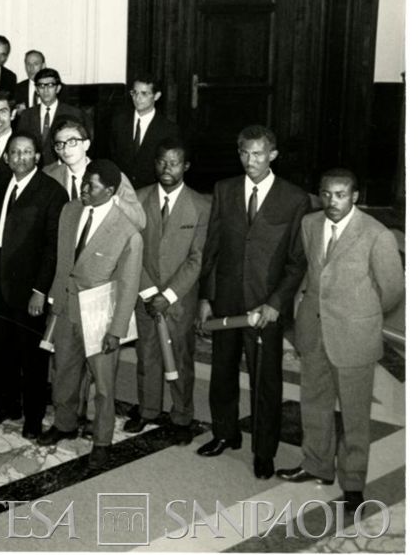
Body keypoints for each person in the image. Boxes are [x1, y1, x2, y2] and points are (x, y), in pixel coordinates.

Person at [277, 169, 404, 510]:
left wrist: (361, 314)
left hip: (354, 336)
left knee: (354, 414)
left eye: (341, 194)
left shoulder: (377, 235)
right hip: (314, 331)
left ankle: (352, 483)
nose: (333, 201)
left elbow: (392, 290)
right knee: (314, 402)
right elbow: (313, 273)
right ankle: (316, 464)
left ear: (355, 196)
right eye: (327, 194)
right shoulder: (310, 224)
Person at [196, 125, 308, 480]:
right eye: (245, 153)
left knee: (266, 381)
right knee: (222, 373)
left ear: (273, 155)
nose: (251, 161)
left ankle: (264, 451)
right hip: (226, 301)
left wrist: (275, 302)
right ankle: (225, 433)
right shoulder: (225, 190)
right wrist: (205, 297)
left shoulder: (293, 198)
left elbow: (297, 260)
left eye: (258, 154)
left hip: (265, 307)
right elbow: (212, 249)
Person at [38, 160, 142, 471]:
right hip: (68, 308)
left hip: (100, 314)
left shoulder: (127, 231)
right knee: (64, 371)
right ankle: (64, 423)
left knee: (104, 384)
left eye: (91, 186)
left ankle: (101, 441)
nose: (83, 188)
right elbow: (62, 262)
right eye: (84, 182)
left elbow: (128, 284)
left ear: (110, 191)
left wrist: (116, 329)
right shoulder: (70, 212)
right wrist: (55, 305)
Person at [0, 132, 68, 437]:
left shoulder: (52, 192)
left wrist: (40, 290)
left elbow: (53, 248)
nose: (20, 158)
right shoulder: (1, 185)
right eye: (14, 153)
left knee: (32, 357)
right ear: (6, 157)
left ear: (38, 157)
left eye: (27, 152)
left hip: (29, 287)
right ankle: (5, 406)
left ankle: (32, 417)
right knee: (0, 350)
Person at [125, 139, 209, 445]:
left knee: (181, 357)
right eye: (162, 162)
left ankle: (182, 416)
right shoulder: (137, 199)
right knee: (147, 353)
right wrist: (149, 291)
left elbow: (198, 258)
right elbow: (130, 248)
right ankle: (147, 410)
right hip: (145, 294)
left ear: (185, 166)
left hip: (179, 299)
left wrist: (169, 295)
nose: (167, 168)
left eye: (174, 163)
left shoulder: (201, 206)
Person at [108, 75, 180, 190]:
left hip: (151, 190)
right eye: (134, 92)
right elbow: (112, 156)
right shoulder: (119, 122)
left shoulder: (168, 129)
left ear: (156, 96)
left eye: (144, 94)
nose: (137, 98)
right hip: (122, 188)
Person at [17, 68, 86, 167]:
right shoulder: (26, 115)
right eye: (41, 86)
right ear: (36, 90)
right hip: (34, 170)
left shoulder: (73, 113)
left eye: (50, 85)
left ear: (58, 88)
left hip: (62, 169)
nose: (45, 90)